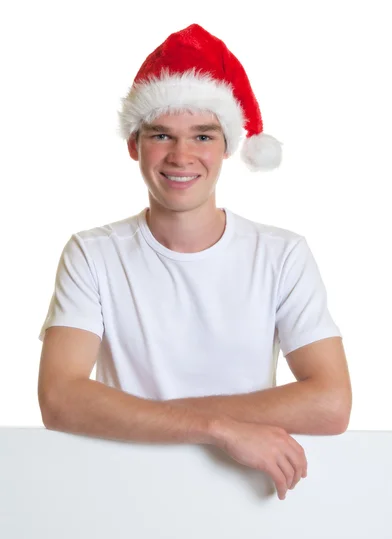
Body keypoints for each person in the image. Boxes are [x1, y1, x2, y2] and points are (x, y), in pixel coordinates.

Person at [37, 24, 351, 501]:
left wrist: (169, 419)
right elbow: (60, 400)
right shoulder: (92, 253)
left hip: (249, 494)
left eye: (202, 136)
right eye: (162, 135)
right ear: (134, 146)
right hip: (121, 494)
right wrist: (216, 427)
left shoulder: (281, 254)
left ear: (227, 147)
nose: (181, 156)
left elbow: (331, 403)